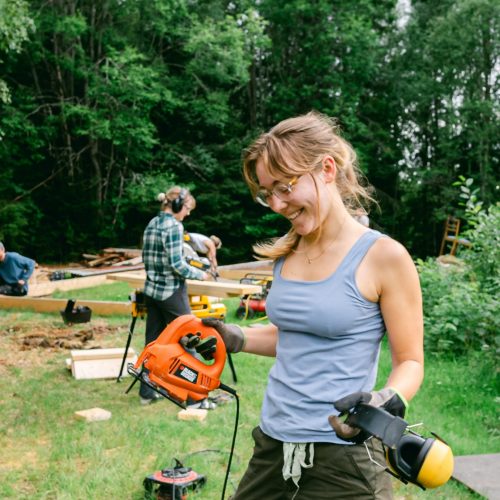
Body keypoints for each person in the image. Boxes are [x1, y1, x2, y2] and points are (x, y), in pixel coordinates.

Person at [203, 111, 424, 499]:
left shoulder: (384, 257)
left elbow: (411, 361)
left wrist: (385, 399)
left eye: (284, 187)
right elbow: (293, 335)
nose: (276, 203)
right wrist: (235, 336)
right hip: (274, 443)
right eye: (266, 193)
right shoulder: (286, 255)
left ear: (325, 169)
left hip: (345, 457)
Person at [140, 186, 210, 405]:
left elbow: (150, 258)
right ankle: (195, 398)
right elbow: (177, 265)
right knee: (189, 342)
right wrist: (202, 274)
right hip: (171, 292)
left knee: (153, 344)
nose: (188, 213)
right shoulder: (173, 226)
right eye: (187, 208)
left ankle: (147, 393)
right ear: (178, 205)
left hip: (152, 291)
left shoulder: (153, 222)